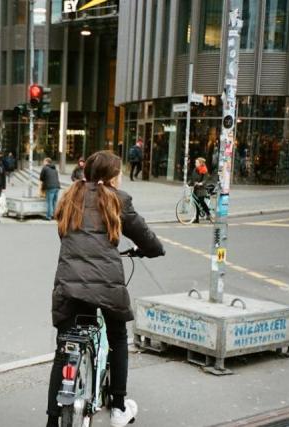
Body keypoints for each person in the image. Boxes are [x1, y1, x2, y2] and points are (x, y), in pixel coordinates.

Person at [47, 150, 164, 427]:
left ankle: (52, 420)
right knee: (118, 337)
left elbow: (65, 234)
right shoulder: (117, 199)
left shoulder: (70, 196)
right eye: (119, 173)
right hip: (107, 285)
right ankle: (119, 408)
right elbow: (145, 237)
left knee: (64, 347)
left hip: (69, 285)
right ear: (112, 178)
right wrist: (152, 250)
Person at [189, 157, 212, 223]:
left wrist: (201, 183)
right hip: (196, 188)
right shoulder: (195, 170)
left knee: (201, 202)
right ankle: (197, 219)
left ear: (200, 163)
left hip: (202, 189)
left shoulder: (204, 170)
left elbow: (205, 179)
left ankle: (208, 214)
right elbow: (192, 178)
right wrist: (188, 184)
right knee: (196, 203)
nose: (195, 163)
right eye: (195, 162)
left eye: (196, 162)